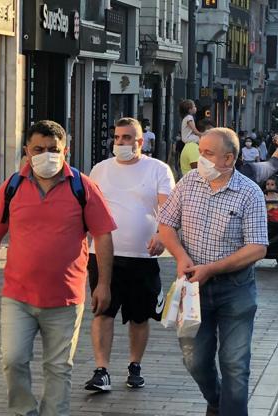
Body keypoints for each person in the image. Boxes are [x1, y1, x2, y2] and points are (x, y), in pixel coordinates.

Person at [0, 120, 116, 416]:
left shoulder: (83, 186)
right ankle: (23, 411)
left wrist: (103, 283)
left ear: (65, 150)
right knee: (12, 360)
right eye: (38, 149)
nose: (46, 155)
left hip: (65, 298)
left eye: (53, 149)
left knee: (58, 368)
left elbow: (103, 235)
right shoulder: (12, 186)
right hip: (18, 295)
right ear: (27, 150)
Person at [158, 127, 268, 416]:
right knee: (194, 358)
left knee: (235, 363)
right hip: (194, 287)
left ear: (228, 158)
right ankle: (217, 400)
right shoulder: (188, 183)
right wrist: (181, 256)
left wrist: (212, 268)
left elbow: (257, 247)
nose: (200, 158)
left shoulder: (249, 193)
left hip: (236, 289)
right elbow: (166, 223)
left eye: (208, 153)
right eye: (200, 151)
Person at [84, 117, 175, 392]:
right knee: (103, 311)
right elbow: (88, 209)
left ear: (140, 142)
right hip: (103, 255)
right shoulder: (100, 170)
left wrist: (161, 235)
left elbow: (168, 208)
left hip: (143, 256)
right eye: (117, 137)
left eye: (127, 138)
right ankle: (102, 370)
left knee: (139, 316)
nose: (121, 142)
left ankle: (135, 365)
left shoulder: (158, 169)